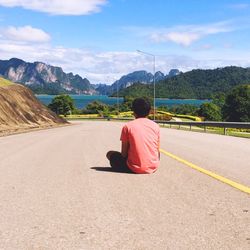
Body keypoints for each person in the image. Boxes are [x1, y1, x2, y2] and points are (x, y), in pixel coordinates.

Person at [106, 97, 160, 174]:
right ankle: (148, 163)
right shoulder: (155, 126)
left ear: (134, 112)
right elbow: (157, 150)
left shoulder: (128, 126)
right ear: (149, 112)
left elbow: (124, 154)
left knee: (109, 154)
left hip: (133, 168)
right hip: (153, 167)